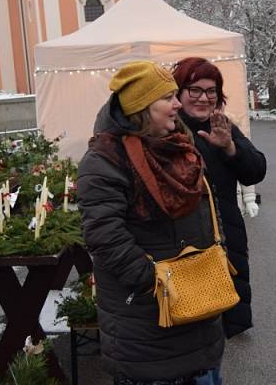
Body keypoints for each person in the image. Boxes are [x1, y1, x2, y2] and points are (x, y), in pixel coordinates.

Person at [77, 60, 225, 385]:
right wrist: (153, 282)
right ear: (142, 107)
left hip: (200, 305)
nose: (177, 104)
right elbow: (104, 237)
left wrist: (216, 250)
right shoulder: (105, 160)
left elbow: (205, 206)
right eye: (168, 97)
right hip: (148, 319)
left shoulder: (179, 147)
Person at [172, 57, 267, 338]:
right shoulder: (168, 131)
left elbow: (256, 170)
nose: (204, 98)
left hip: (228, 233)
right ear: (178, 93)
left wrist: (230, 148)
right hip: (186, 240)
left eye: (211, 91)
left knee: (225, 318)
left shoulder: (222, 126)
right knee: (194, 323)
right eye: (195, 90)